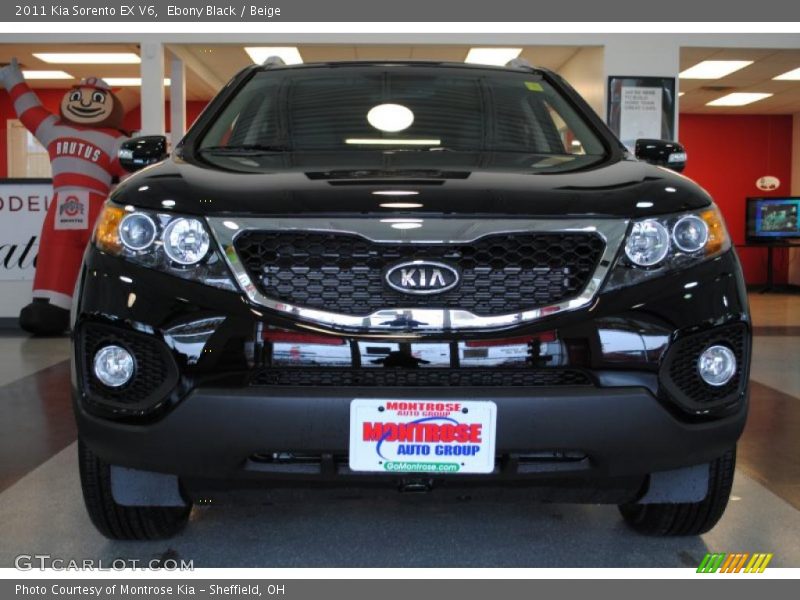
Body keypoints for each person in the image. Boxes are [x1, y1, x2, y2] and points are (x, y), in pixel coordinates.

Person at [0, 57, 136, 335]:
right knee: (55, 258)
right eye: (80, 97)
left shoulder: (115, 139)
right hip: (62, 212)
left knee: (109, 262)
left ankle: (111, 312)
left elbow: (130, 177)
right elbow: (29, 111)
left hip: (99, 211)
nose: (86, 103)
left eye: (95, 98)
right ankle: (50, 308)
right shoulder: (54, 129)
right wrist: (12, 77)